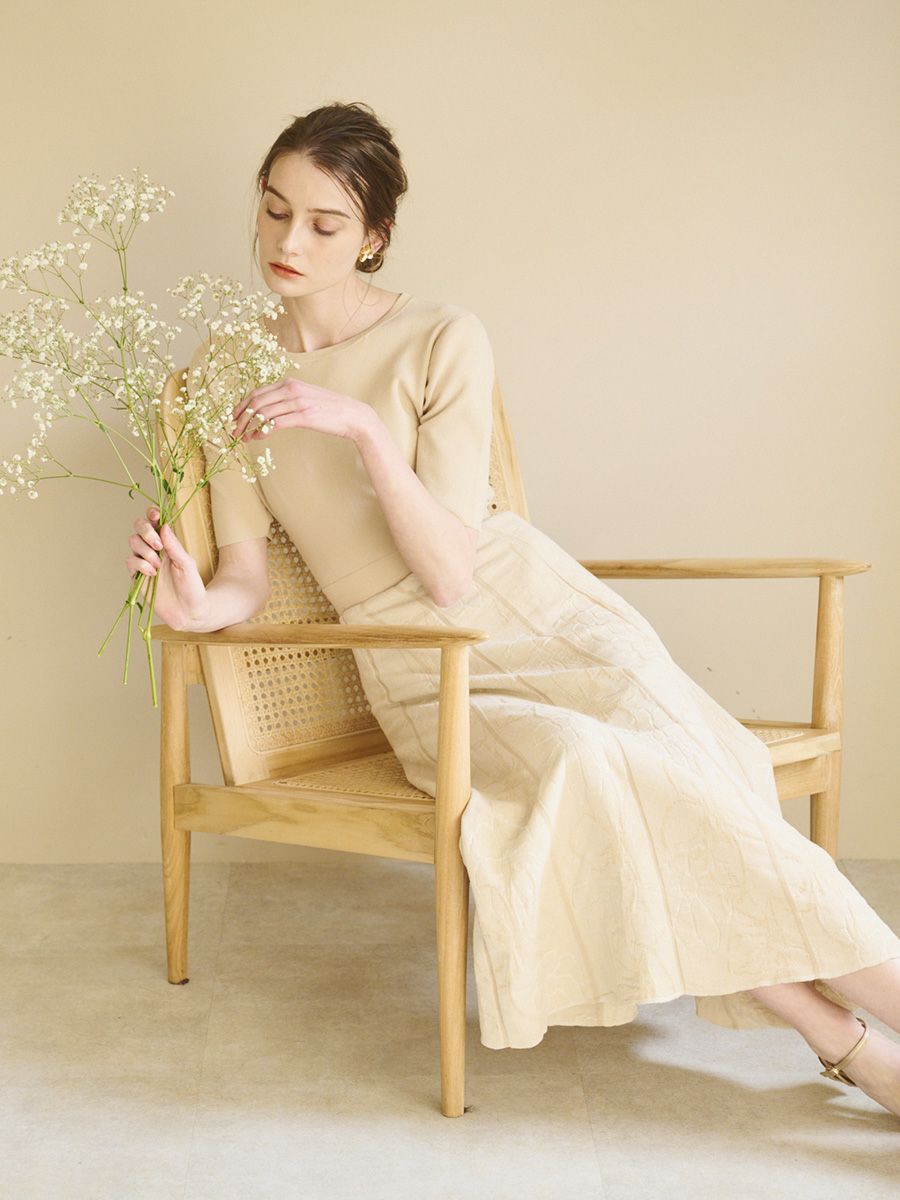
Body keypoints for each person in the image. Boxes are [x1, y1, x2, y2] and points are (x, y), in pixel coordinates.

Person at [125, 101, 900, 1118]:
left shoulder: (442, 336)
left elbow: (453, 566)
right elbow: (246, 574)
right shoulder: (227, 373)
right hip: (423, 662)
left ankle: (866, 1032)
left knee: (685, 769)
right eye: (274, 211)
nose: (289, 241)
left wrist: (364, 430)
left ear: (374, 236)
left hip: (544, 612)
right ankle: (846, 1038)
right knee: (592, 768)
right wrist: (196, 605)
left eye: (323, 222)